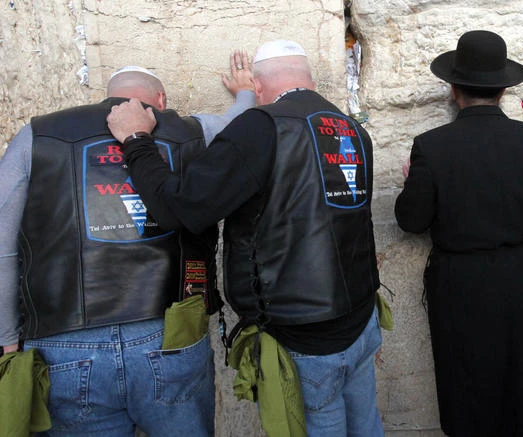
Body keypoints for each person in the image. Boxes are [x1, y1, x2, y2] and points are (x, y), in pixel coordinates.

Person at [105, 39, 384, 437]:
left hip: (303, 332)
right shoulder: (351, 128)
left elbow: (181, 207)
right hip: (360, 318)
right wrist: (243, 98)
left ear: (258, 83)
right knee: (365, 423)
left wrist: (136, 142)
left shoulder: (262, 125)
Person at [0, 53, 256, 436]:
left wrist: (5, 337)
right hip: (167, 333)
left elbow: (4, 244)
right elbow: (240, 125)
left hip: (64, 342)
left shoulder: (37, 135)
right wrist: (246, 93)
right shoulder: (191, 131)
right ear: (161, 100)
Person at [394, 30, 523, 437]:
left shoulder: (432, 146)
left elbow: (412, 221)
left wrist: (411, 185)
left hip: (460, 281)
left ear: (454, 89)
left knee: (466, 378)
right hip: (521, 277)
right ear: (504, 91)